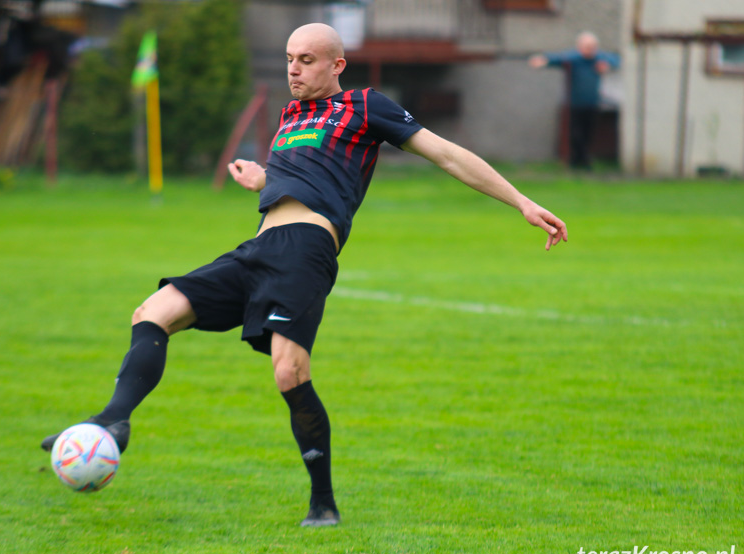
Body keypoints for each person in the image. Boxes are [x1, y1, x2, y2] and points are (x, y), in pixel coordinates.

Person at [41, 23, 568, 527]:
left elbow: (448, 156)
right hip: (259, 246)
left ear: (338, 64)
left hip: (306, 249)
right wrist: (263, 180)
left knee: (289, 372)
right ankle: (114, 421)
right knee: (152, 312)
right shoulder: (291, 116)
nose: (294, 69)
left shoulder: (365, 106)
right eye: (290, 59)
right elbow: (308, 176)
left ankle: (323, 503)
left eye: (307, 60)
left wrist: (521, 201)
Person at [529, 31, 620, 170]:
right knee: (575, 134)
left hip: (592, 103)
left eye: (592, 47)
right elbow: (557, 58)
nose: (590, 50)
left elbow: (616, 60)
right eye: (587, 46)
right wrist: (543, 60)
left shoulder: (599, 59)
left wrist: (607, 64)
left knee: (588, 133)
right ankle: (576, 160)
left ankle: (584, 160)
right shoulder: (574, 59)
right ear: (580, 46)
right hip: (574, 104)